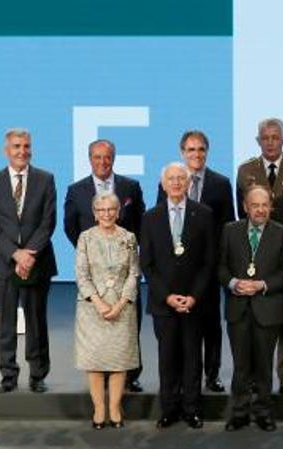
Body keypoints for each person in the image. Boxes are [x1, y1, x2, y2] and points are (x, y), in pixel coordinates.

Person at [236, 118, 283, 396]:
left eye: (275, 137)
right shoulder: (246, 170)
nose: (270, 142)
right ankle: (259, 377)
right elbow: (241, 214)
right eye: (265, 138)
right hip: (257, 256)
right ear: (258, 141)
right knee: (258, 319)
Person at [64, 139, 148, 392]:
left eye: (107, 157)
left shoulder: (130, 187)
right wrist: (90, 256)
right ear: (90, 159)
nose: (102, 162)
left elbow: (141, 224)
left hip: (125, 271)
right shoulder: (76, 190)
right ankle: (100, 373)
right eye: (97, 157)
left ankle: (131, 374)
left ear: (114, 158)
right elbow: (71, 227)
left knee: (129, 322)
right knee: (98, 327)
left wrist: (127, 258)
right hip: (95, 273)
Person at [158, 130, 236, 394]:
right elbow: (160, 226)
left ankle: (212, 375)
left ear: (207, 152)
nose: (196, 154)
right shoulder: (169, 181)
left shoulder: (221, 183)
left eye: (201, 149)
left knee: (211, 325)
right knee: (180, 326)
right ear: (182, 152)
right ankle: (182, 376)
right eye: (191, 150)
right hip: (177, 271)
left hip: (209, 268)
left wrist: (220, 265)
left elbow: (228, 227)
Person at [0, 127, 57, 394]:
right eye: (16, 146)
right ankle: (8, 374)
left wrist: (29, 254)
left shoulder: (45, 179)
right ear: (6, 150)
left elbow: (48, 223)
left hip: (37, 261)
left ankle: (38, 374)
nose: (22, 151)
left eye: (26, 146)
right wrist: (15, 254)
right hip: (3, 263)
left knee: (37, 321)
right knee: (6, 322)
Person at [140, 162, 216, 429]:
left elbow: (208, 261)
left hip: (195, 302)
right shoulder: (150, 217)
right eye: (170, 179)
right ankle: (169, 408)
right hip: (164, 303)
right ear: (162, 184)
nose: (175, 183)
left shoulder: (203, 214)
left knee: (193, 357)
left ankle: (192, 409)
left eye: (180, 178)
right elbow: (146, 264)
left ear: (189, 183)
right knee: (167, 357)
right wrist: (167, 297)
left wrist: (193, 296)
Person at [218, 186, 283, 432]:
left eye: (264, 205)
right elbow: (220, 267)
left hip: (268, 309)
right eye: (255, 205)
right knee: (241, 366)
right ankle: (239, 412)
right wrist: (233, 283)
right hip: (238, 308)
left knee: (264, 366)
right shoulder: (230, 230)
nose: (260, 210)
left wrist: (263, 284)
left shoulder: (282, 234)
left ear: (271, 207)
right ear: (245, 207)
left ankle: (263, 412)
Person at [74, 191, 141, 429]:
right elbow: (81, 274)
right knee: (95, 360)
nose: (107, 214)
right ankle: (99, 409)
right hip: (92, 307)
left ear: (118, 212)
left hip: (122, 307)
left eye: (111, 209)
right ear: (94, 213)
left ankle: (114, 408)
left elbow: (134, 273)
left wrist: (121, 303)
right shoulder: (85, 238)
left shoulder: (129, 237)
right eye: (101, 210)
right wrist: (100, 303)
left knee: (117, 360)